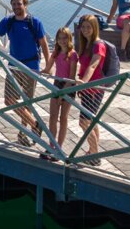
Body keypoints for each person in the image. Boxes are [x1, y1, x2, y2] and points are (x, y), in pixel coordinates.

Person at [0, 0, 49, 146]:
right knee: (9, 100)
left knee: (27, 103)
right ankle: (35, 125)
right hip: (14, 65)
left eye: (19, 4)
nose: (17, 7)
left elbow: (43, 44)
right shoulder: (8, 21)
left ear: (25, 5)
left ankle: (22, 134)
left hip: (31, 67)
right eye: (14, 4)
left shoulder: (34, 22)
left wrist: (48, 66)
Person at [73, 14, 112, 165]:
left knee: (83, 122)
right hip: (88, 88)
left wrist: (83, 82)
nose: (85, 30)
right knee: (91, 121)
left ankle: (94, 156)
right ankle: (92, 151)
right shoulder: (87, 43)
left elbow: (94, 65)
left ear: (95, 28)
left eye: (88, 27)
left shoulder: (98, 44)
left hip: (93, 89)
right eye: (83, 27)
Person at [43, 28, 78, 162]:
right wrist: (43, 71)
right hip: (57, 83)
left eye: (65, 38)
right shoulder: (56, 52)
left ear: (69, 39)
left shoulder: (72, 54)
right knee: (52, 116)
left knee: (63, 118)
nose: (62, 41)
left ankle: (59, 147)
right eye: (60, 38)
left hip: (68, 86)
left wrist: (63, 95)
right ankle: (51, 145)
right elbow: (49, 67)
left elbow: (72, 76)